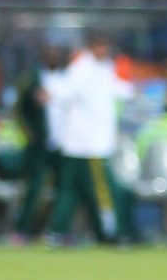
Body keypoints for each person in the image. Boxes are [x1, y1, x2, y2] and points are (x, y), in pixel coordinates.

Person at [45, 33, 133, 244]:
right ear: (92, 47)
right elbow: (62, 91)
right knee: (102, 190)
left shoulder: (102, 69)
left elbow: (117, 89)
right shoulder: (83, 70)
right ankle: (111, 231)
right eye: (100, 46)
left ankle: (60, 231)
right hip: (90, 145)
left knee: (71, 191)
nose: (103, 51)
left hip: (80, 145)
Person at [9, 43, 67, 242]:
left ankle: (54, 231)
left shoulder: (67, 79)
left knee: (64, 190)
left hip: (64, 144)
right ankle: (23, 230)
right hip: (39, 144)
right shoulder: (31, 79)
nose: (53, 56)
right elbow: (17, 110)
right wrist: (29, 133)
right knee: (34, 188)